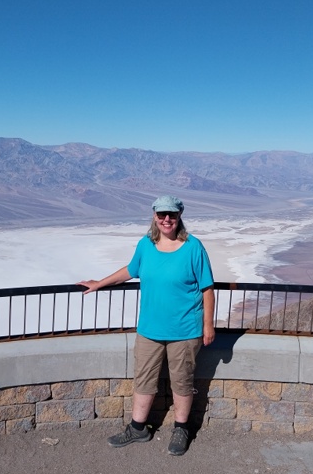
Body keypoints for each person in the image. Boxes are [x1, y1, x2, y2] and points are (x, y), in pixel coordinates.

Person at [77, 195, 215, 456]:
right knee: (144, 379)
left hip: (185, 331)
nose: (166, 220)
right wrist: (99, 283)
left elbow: (208, 289)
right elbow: (130, 270)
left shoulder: (193, 247)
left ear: (179, 217)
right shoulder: (146, 245)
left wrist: (208, 326)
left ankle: (181, 429)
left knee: (182, 382)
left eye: (171, 215)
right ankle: (138, 428)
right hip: (150, 330)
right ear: (154, 216)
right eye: (162, 214)